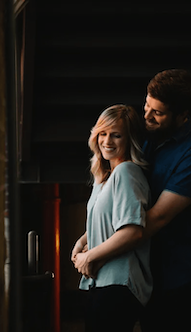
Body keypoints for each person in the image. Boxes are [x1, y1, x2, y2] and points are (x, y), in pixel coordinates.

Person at [138, 69, 191, 332]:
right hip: (154, 274)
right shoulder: (150, 138)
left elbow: (158, 217)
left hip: (185, 279)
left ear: (183, 115)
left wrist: (102, 249)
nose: (147, 116)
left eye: (157, 113)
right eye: (146, 106)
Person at [71, 104, 152, 332]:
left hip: (119, 283)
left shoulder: (127, 172)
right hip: (100, 282)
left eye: (116, 135)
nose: (107, 142)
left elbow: (132, 231)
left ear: (130, 139)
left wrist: (89, 257)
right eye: (103, 134)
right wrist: (80, 244)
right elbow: (103, 220)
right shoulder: (104, 178)